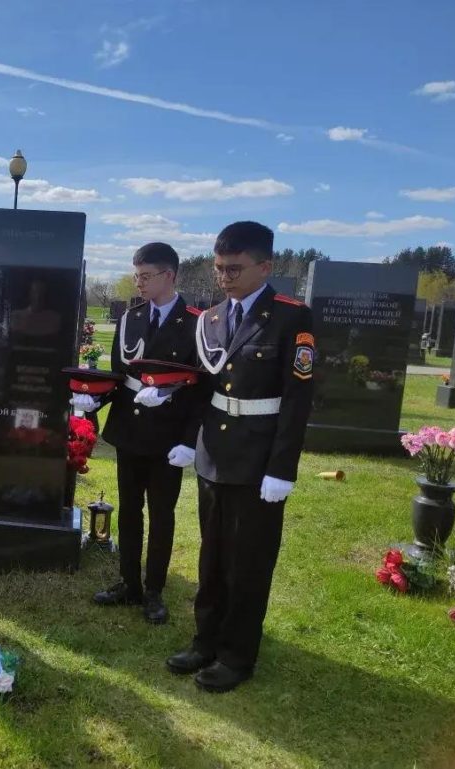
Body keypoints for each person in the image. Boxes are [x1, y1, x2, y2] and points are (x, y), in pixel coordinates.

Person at [167, 221, 314, 693]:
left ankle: (237, 655)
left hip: (258, 459)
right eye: (219, 268)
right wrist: (190, 441)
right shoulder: (210, 319)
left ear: (265, 267)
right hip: (215, 454)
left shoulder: (291, 318)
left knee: (247, 562)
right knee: (212, 556)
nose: (224, 277)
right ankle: (205, 640)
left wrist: (281, 468)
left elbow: (297, 400)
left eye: (234, 268)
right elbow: (201, 389)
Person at [74, 242, 204, 624]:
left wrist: (190, 440)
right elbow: (120, 374)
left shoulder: (195, 322)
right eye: (136, 275)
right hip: (131, 428)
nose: (139, 283)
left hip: (169, 435)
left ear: (169, 275)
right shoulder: (132, 318)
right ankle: (129, 582)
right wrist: (94, 400)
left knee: (162, 514)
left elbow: (202, 388)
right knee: (130, 510)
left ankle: (154, 590)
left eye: (146, 276)